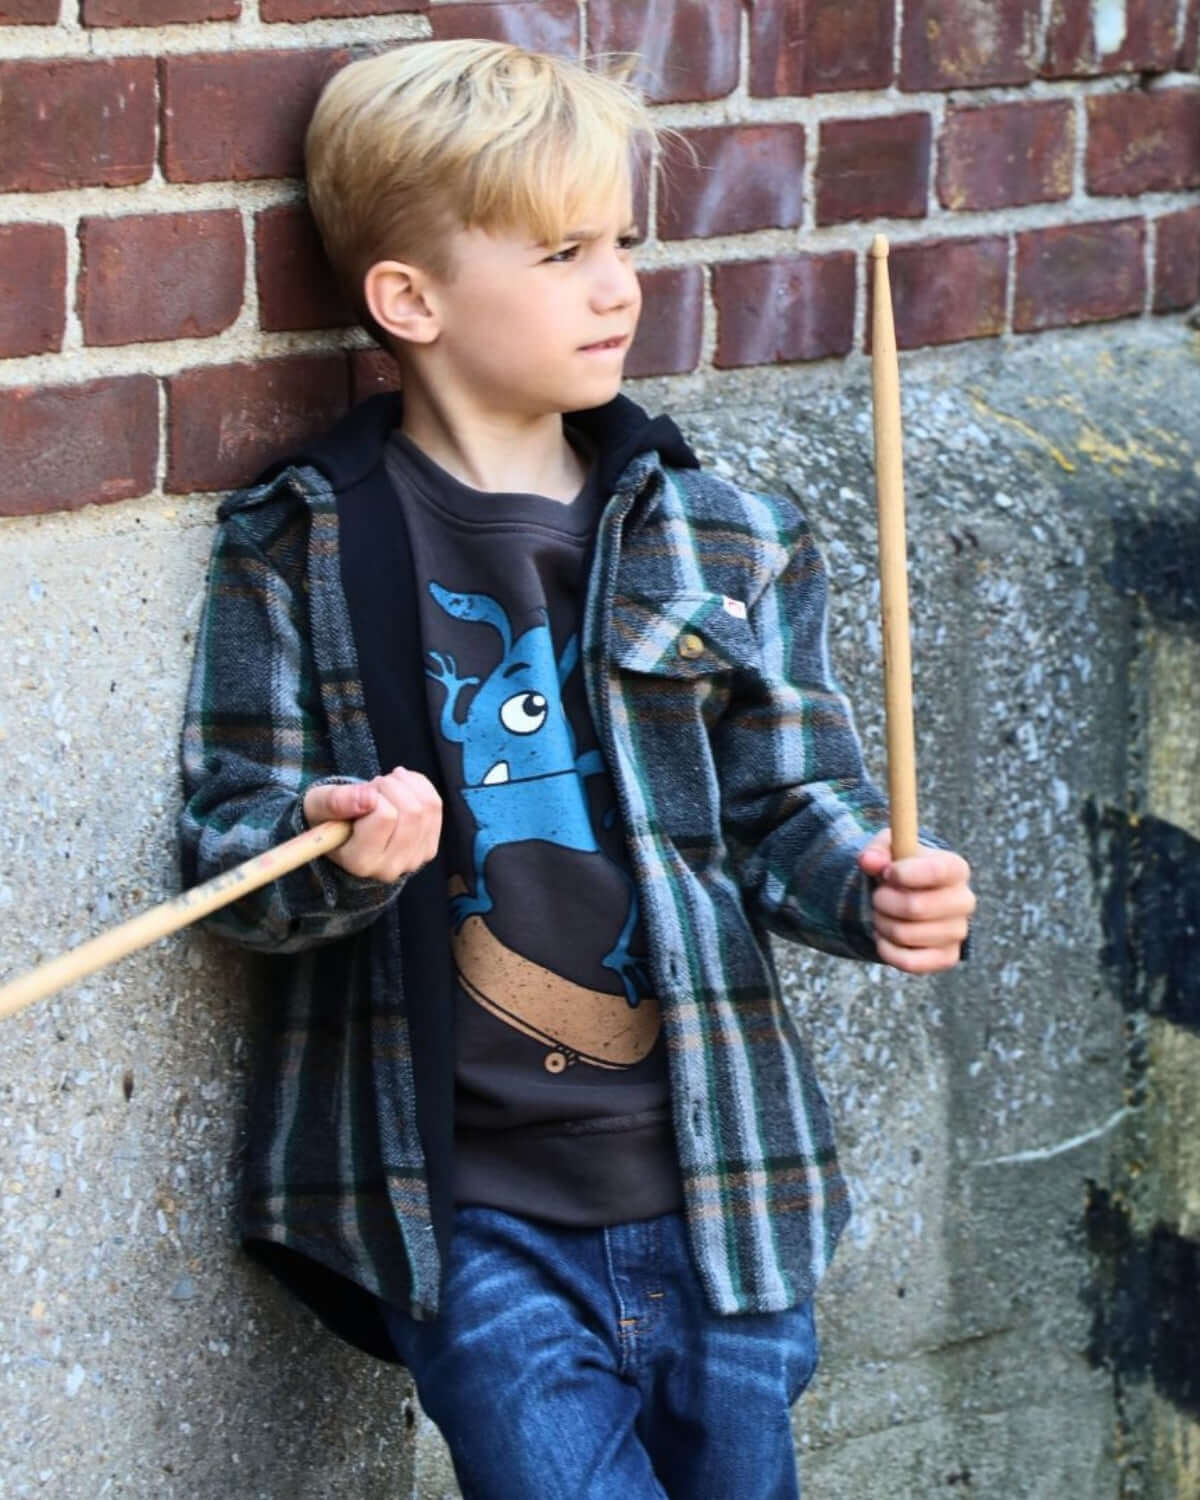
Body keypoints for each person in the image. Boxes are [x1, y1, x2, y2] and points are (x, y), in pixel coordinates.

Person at [179, 38, 974, 1500]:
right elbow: (230, 852)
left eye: (623, 242)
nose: (618, 284)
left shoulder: (724, 531)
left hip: (721, 1188)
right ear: (408, 299)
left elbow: (791, 801)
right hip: (465, 1212)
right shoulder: (301, 543)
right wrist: (330, 839)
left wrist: (870, 887)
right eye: (561, 251)